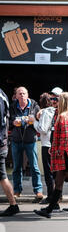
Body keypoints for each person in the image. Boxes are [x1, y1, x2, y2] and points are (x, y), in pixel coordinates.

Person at [34, 92, 68, 220]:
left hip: (67, 155)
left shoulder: (64, 117)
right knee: (58, 183)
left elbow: (65, 138)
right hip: (67, 154)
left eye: (57, 99)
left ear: (63, 102)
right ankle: (49, 210)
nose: (55, 101)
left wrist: (56, 151)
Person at [9, 86, 44, 201]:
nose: (22, 95)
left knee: (34, 166)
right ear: (16, 96)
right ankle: (17, 190)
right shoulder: (13, 106)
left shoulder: (34, 106)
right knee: (17, 167)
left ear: (27, 95)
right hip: (16, 140)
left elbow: (41, 120)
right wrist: (13, 122)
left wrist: (33, 121)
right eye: (20, 93)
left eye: (24, 93)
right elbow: (8, 121)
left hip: (30, 140)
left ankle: (38, 190)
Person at [33, 93, 56, 204]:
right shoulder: (54, 111)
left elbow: (42, 129)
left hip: (47, 144)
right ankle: (55, 197)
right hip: (53, 144)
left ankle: (51, 197)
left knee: (48, 173)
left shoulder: (46, 112)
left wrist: (34, 121)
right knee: (55, 173)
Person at [0, 87, 19, 216]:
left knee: (2, 176)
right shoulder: (2, 95)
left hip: (0, 144)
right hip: (2, 143)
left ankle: (13, 204)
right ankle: (13, 205)